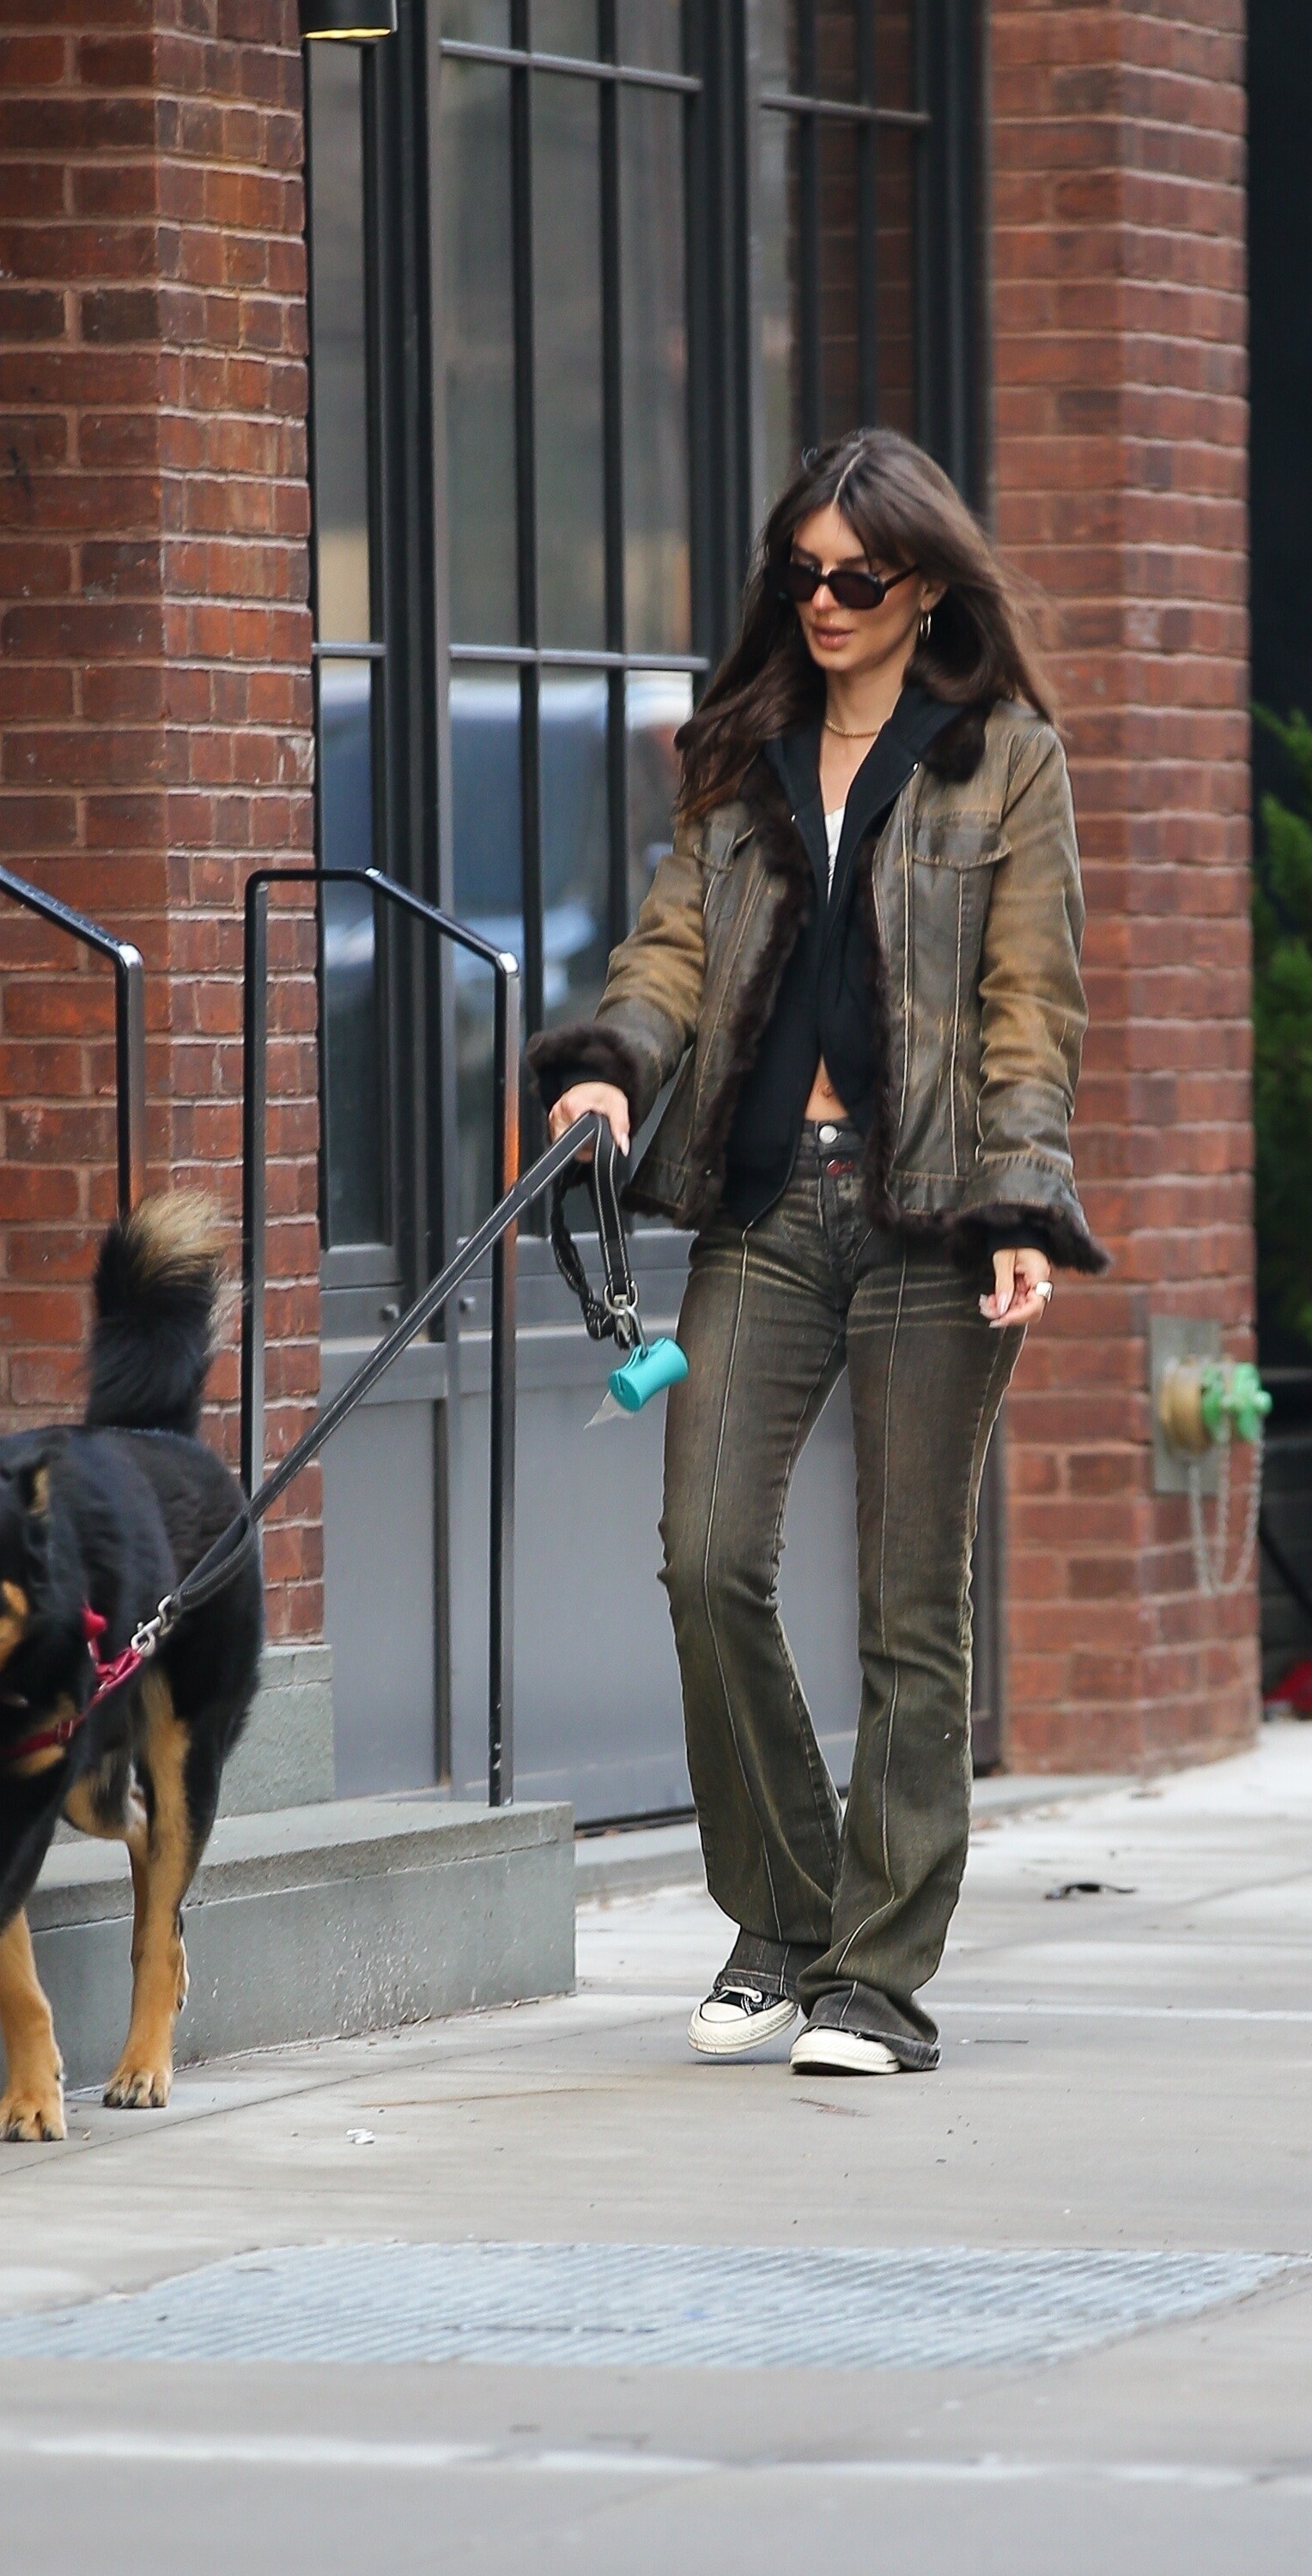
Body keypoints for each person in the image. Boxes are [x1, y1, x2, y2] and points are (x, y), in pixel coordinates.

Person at [528, 428, 1103, 2075]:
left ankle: (877, 1979)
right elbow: (668, 949)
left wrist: (1023, 1203)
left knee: (911, 1606)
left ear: (924, 584)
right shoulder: (742, 749)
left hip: (937, 1211)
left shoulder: (1005, 759)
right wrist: (609, 1066)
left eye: (859, 575)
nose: (827, 600)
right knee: (707, 1560)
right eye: (804, 572)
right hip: (769, 1204)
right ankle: (783, 1920)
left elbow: (1031, 1005)